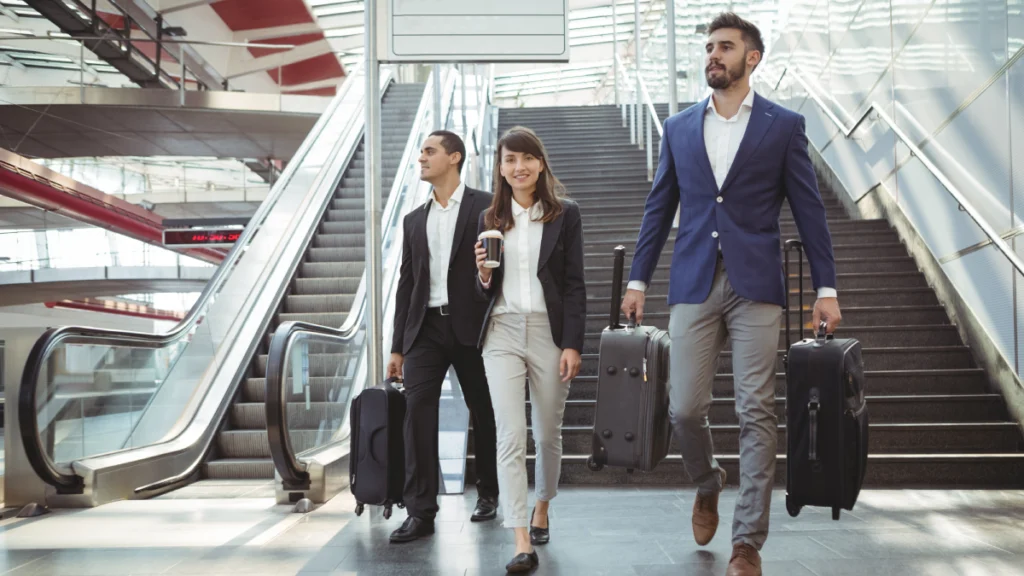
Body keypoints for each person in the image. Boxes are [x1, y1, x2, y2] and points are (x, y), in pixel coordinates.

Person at [620, 12, 842, 576]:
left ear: (753, 58)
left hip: (757, 284)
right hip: (693, 280)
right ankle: (707, 479)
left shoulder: (783, 126)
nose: (713, 55)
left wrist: (826, 287)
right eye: (710, 48)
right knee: (684, 408)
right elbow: (658, 208)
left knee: (755, 408)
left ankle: (747, 542)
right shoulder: (678, 128)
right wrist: (638, 279)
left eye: (726, 47)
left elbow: (810, 211)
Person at [474, 126, 586, 573]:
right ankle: (520, 536)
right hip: (500, 331)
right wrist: (482, 276)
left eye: (525, 159)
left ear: (540, 163)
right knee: (510, 435)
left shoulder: (564, 215)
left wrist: (573, 343)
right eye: (508, 160)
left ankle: (543, 505)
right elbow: (485, 289)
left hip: (548, 332)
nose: (517, 167)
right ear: (500, 168)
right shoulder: (490, 219)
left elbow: (575, 285)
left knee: (546, 433)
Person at [388, 130, 500, 543]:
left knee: (484, 410)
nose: (421, 158)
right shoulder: (413, 219)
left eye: (429, 151)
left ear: (454, 157)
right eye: (420, 152)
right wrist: (398, 346)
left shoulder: (486, 205)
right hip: (425, 330)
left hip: (473, 326)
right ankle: (420, 511)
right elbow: (406, 284)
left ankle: (488, 492)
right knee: (417, 414)